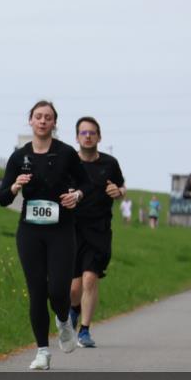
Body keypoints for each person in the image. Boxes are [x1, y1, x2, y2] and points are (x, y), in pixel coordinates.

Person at [0, 101, 90, 370]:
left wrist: (77, 195)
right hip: (30, 231)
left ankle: (63, 320)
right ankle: (42, 351)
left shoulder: (66, 153)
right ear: (30, 120)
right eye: (38, 117)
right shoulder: (19, 157)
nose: (42, 121)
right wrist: (14, 186)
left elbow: (86, 183)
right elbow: (2, 198)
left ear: (54, 123)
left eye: (48, 117)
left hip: (61, 230)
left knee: (58, 290)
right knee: (37, 291)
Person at [68, 117, 125, 348]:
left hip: (99, 230)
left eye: (92, 132)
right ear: (77, 137)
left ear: (99, 137)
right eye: (83, 132)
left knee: (90, 279)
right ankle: (74, 308)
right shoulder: (69, 162)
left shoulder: (110, 163)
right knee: (74, 288)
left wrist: (118, 191)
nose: (88, 136)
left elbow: (122, 187)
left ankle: (84, 331)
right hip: (72, 229)